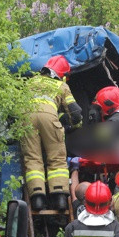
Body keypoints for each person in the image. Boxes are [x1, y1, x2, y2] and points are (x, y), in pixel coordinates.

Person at [24, 55, 82, 212]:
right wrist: (74, 125)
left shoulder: (30, 82)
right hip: (50, 119)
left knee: (32, 158)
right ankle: (60, 198)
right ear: (61, 74)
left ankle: (37, 198)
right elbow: (75, 113)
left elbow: (14, 107)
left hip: (26, 119)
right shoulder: (61, 86)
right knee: (56, 158)